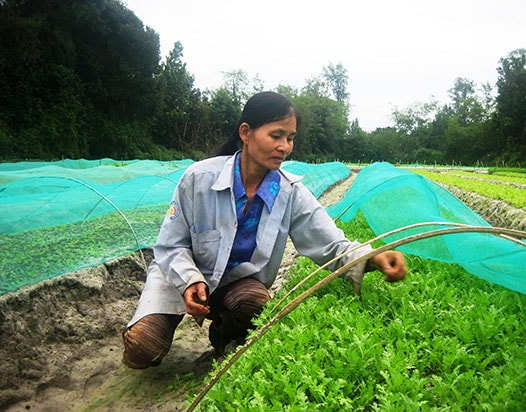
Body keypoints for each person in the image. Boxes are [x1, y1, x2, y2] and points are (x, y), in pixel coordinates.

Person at [122, 91, 407, 369]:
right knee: (144, 348)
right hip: (178, 277)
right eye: (276, 135)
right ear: (246, 133)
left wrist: (374, 257)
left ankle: (223, 335)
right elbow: (171, 245)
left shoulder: (289, 192)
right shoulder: (198, 179)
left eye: (290, 138)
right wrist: (189, 280)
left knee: (254, 303)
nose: (284, 146)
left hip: (234, 284)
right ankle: (149, 330)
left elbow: (331, 244)